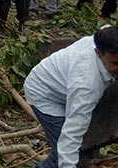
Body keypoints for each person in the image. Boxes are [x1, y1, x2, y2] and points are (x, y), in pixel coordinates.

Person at [24, 25, 118, 168]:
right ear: (98, 52)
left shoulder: (106, 36)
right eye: (115, 63)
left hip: (66, 81)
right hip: (44, 93)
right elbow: (70, 136)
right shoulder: (86, 85)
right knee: (62, 155)